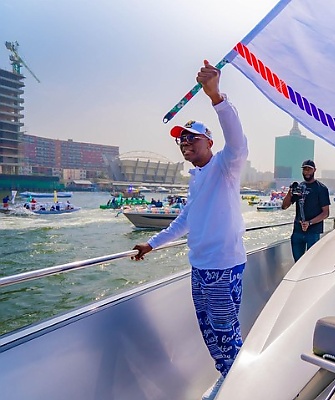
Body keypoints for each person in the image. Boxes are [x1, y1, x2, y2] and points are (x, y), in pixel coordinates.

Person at [131, 60, 248, 400]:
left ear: (209, 142)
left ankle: (241, 384)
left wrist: (216, 97)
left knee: (226, 332)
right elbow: (184, 222)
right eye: (181, 141)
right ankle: (229, 375)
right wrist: (151, 245)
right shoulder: (196, 179)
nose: (185, 144)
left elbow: (238, 142)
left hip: (223, 267)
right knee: (210, 332)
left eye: (192, 139)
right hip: (200, 267)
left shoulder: (226, 166)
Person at [281, 159, 330, 262]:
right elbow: (284, 206)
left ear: (314, 170)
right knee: (298, 263)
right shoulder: (299, 187)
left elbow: (326, 213)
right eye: (305, 169)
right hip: (297, 232)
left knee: (311, 263)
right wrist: (290, 193)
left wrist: (310, 222)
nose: (307, 172)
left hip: (313, 232)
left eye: (309, 169)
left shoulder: (321, 189)